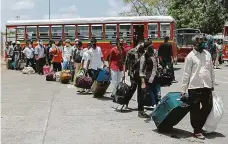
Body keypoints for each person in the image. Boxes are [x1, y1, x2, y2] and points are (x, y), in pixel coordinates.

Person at [181, 35, 214, 139]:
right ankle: (197, 130)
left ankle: (199, 126)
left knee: (208, 107)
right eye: (201, 41)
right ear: (195, 44)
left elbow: (211, 70)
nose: (203, 43)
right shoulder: (190, 56)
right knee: (194, 110)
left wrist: (212, 84)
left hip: (207, 86)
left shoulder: (207, 54)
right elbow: (186, 74)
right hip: (194, 87)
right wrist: (183, 89)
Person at [124, 41, 148, 118]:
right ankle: (125, 102)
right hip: (133, 75)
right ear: (138, 44)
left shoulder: (144, 52)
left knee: (141, 92)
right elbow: (126, 62)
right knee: (132, 88)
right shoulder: (131, 51)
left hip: (141, 75)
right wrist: (125, 73)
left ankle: (140, 110)